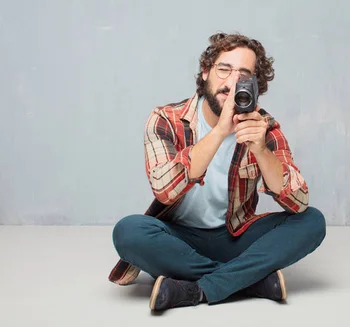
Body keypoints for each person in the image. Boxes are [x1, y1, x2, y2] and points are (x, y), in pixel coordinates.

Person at [109, 32, 326, 311]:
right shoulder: (166, 119)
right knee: (128, 232)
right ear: (205, 72)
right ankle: (248, 280)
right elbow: (164, 190)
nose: (233, 82)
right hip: (179, 238)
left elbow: (299, 201)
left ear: (255, 85)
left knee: (312, 222)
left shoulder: (263, 126)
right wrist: (221, 130)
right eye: (224, 69)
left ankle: (196, 290)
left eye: (244, 74)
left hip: (235, 236)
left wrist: (261, 149)